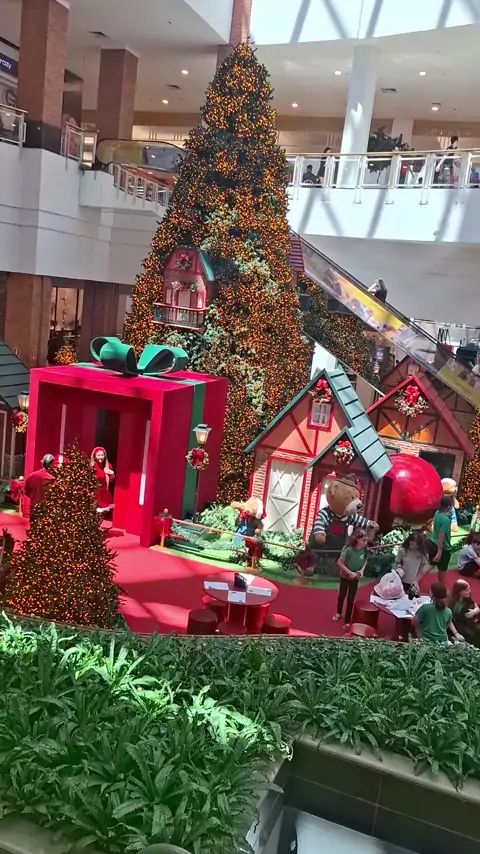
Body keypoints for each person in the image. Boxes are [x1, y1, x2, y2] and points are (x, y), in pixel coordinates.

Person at [333, 527, 368, 629]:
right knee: (342, 595)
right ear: (357, 539)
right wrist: (350, 572)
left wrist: (362, 571)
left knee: (351, 598)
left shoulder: (364, 549)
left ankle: (347, 620)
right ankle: (338, 612)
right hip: (345, 576)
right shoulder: (348, 549)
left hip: (355, 577)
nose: (365, 543)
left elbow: (365, 560)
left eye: (366, 540)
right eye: (363, 540)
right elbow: (340, 562)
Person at [425, 495, 453, 584]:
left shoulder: (437, 513)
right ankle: (442, 587)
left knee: (430, 565)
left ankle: (415, 582)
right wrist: (439, 552)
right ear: (448, 506)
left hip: (432, 542)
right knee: (442, 569)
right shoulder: (446, 519)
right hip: (443, 547)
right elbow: (441, 535)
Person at [448, 579, 480, 647]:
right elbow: (449, 619)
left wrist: (474, 611)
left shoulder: (468, 597)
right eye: (466, 590)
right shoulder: (453, 603)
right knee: (471, 635)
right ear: (459, 591)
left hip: (469, 621)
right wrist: (456, 633)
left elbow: (477, 607)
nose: (469, 591)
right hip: (459, 625)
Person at [90, 446, 114, 514]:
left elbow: (111, 480)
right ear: (95, 456)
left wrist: (111, 474)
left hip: (104, 493)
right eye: (98, 455)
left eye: (102, 455)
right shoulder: (92, 466)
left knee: (102, 513)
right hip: (95, 492)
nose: (101, 457)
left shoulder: (108, 466)